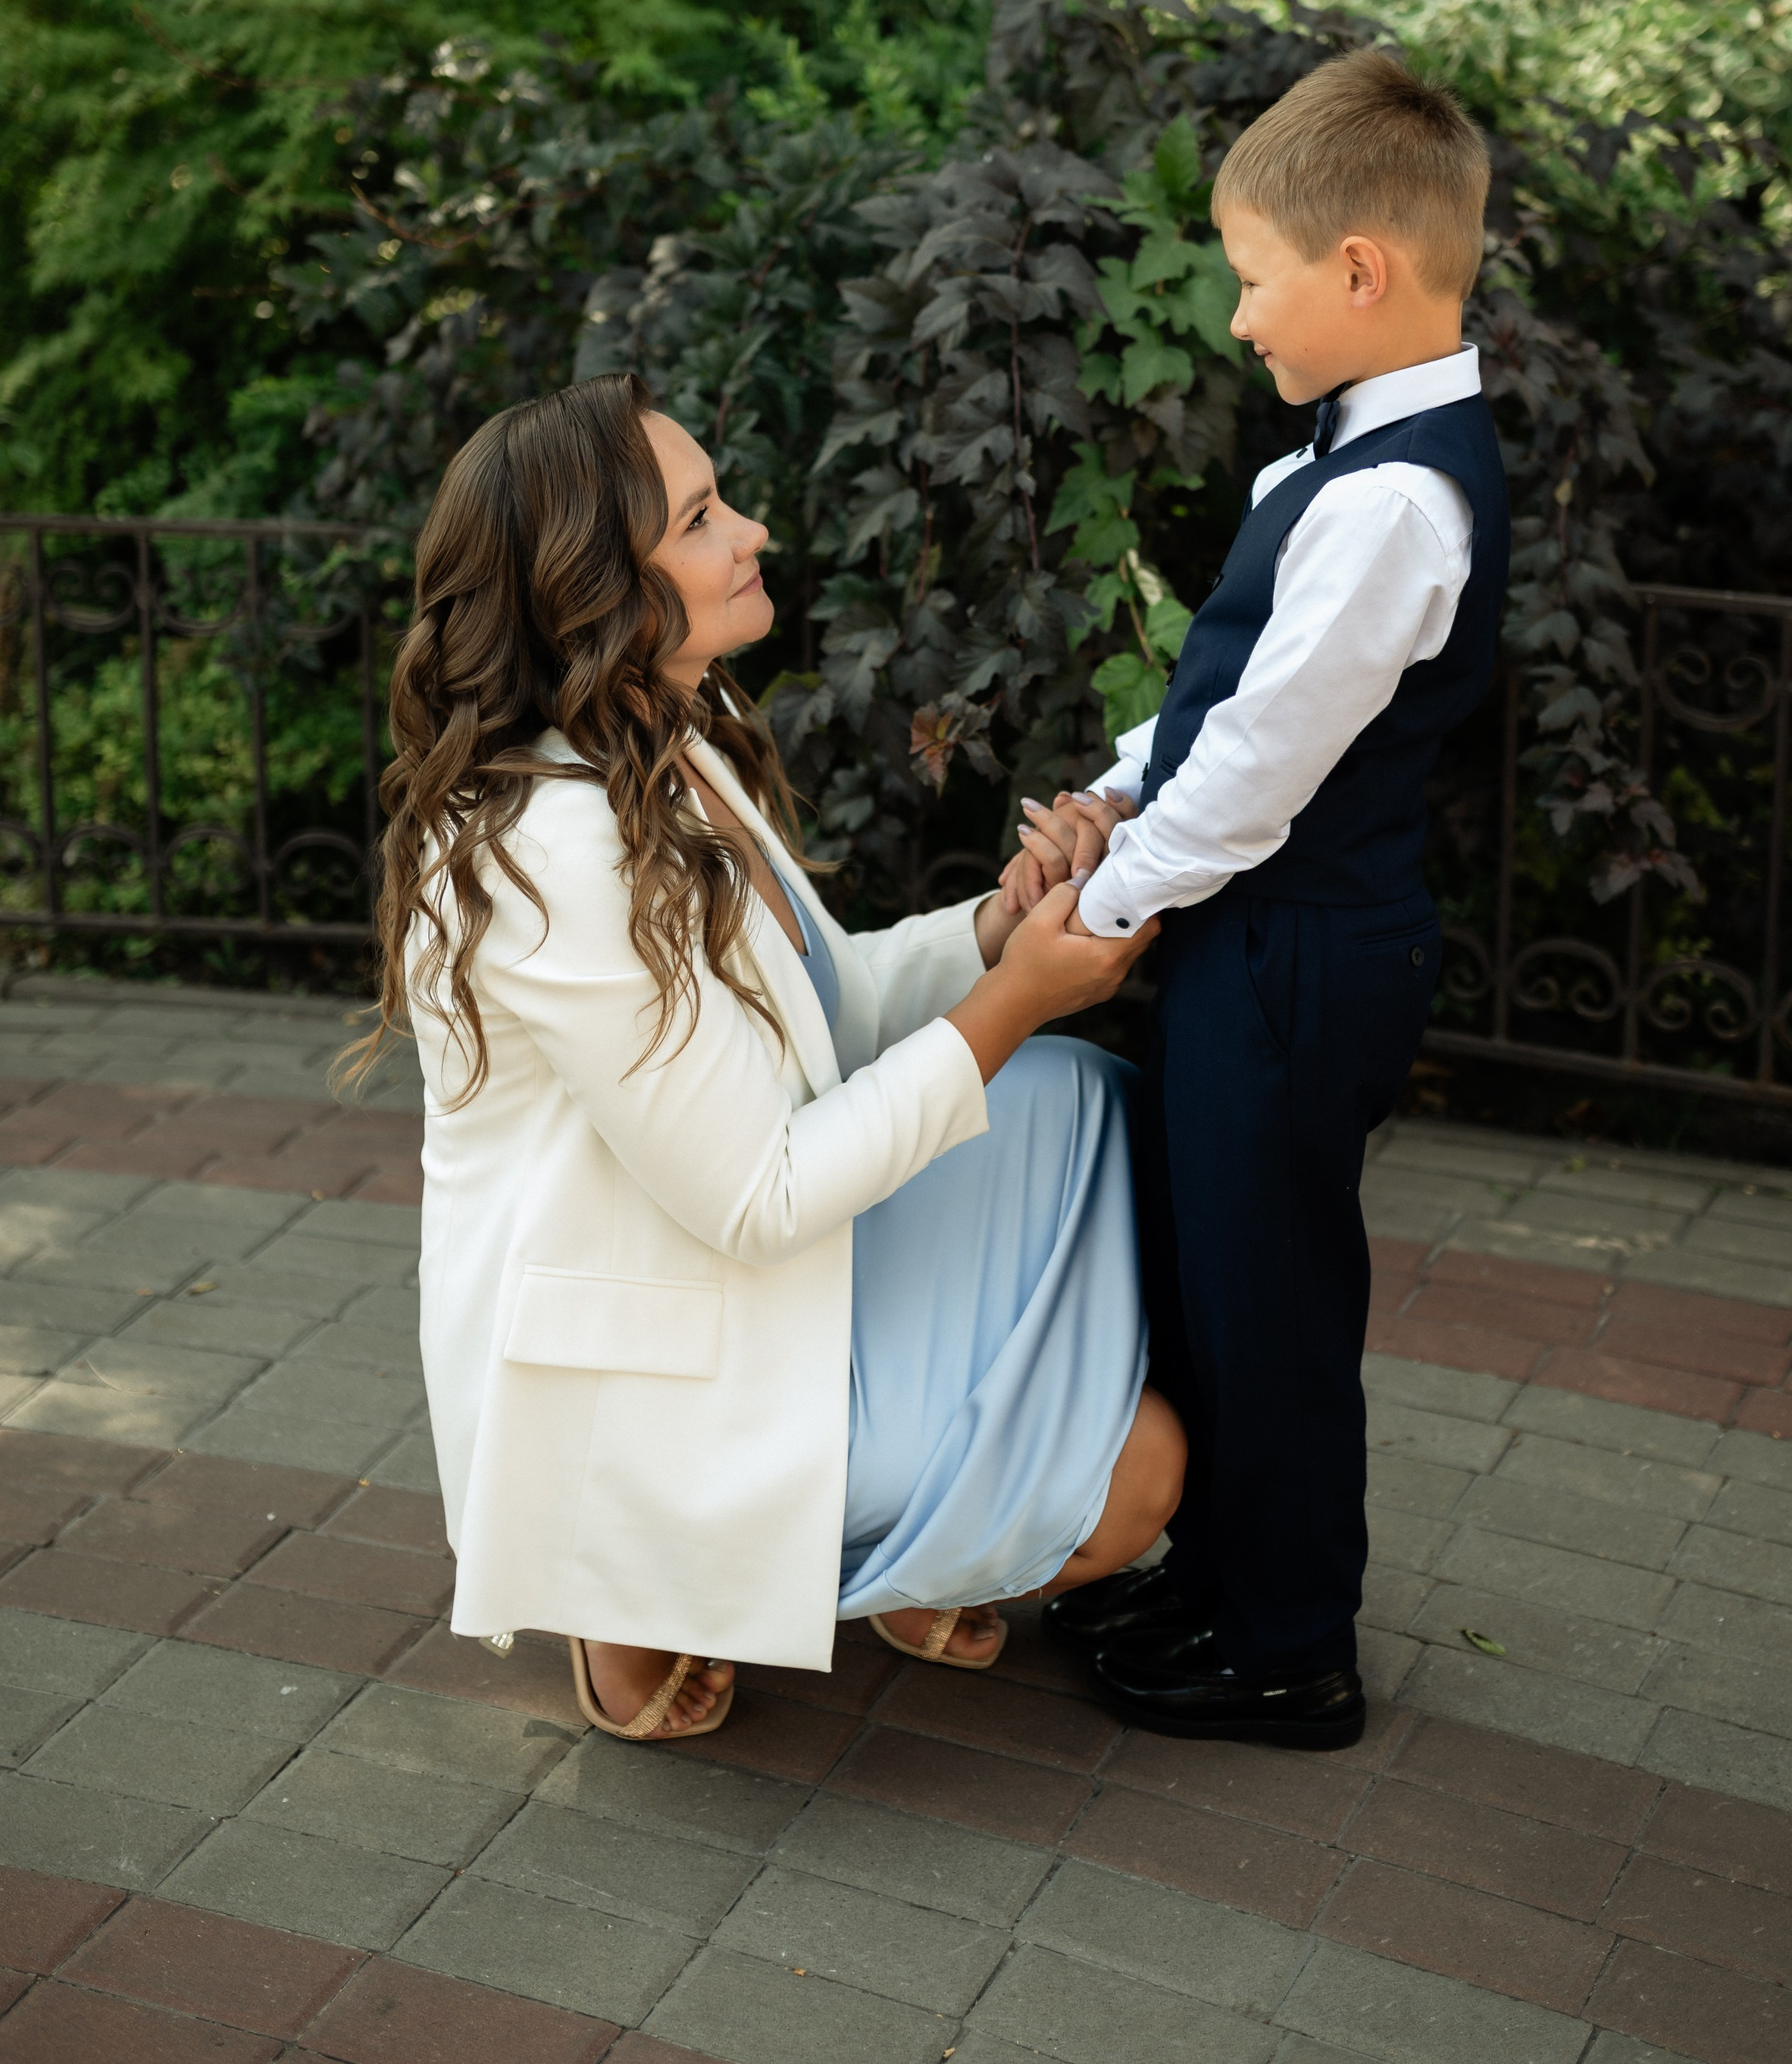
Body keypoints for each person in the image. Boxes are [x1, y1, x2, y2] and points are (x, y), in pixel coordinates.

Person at [356, 371, 1180, 1742]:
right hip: (660, 1367)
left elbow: (830, 1002)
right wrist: (1018, 1002)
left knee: (1072, 1098)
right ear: (592, 588)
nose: (752, 533)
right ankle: (627, 1581)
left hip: (751, 1266)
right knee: (1141, 1482)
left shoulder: (654, 736)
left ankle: (900, 1530)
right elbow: (759, 1196)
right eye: (699, 518)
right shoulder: (550, 847)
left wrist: (994, 933)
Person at [1011, 49, 1508, 1750]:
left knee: (1272, 1293)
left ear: (1354, 270)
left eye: (1248, 282)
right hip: (1255, 936)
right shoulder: (1329, 467)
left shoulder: (1392, 501)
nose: (1237, 323)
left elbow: (1264, 772)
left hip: (1304, 951)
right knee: (1212, 1269)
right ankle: (1215, 1573)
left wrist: (1105, 904)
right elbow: (1219, 714)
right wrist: (1107, 789)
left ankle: (1287, 1644)